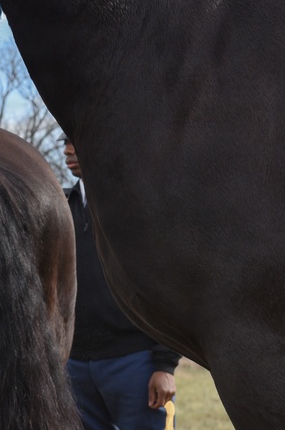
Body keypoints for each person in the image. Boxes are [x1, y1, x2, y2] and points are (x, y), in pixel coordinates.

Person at [63, 137, 180, 430]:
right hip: (72, 367)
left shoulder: (136, 206)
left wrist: (164, 366)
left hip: (135, 364)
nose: (67, 149)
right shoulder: (58, 207)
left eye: (75, 140)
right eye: (64, 141)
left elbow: (167, 286)